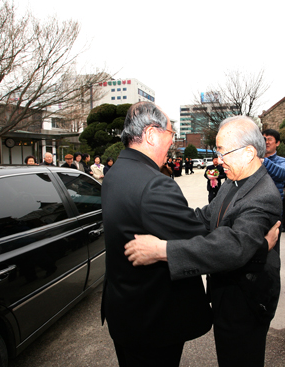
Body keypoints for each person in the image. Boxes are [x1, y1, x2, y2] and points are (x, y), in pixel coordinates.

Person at [125, 115, 282, 367]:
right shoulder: (233, 182)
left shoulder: (262, 195)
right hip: (225, 293)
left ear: (248, 153)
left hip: (245, 301)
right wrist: (163, 220)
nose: (218, 160)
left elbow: (232, 246)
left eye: (222, 152)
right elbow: (207, 217)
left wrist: (163, 250)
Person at [100, 102, 213, 367]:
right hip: (152, 321)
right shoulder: (154, 182)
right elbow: (197, 240)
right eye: (171, 133)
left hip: (125, 312)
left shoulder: (116, 172)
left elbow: (171, 222)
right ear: (151, 134)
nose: (173, 142)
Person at [262, 129, 285, 235]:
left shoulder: (284, 161)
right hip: (255, 205)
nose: (266, 142)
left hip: (273, 208)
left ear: (278, 143)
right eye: (264, 139)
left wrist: (263, 160)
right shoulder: (254, 159)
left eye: (270, 139)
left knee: (272, 244)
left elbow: (281, 173)